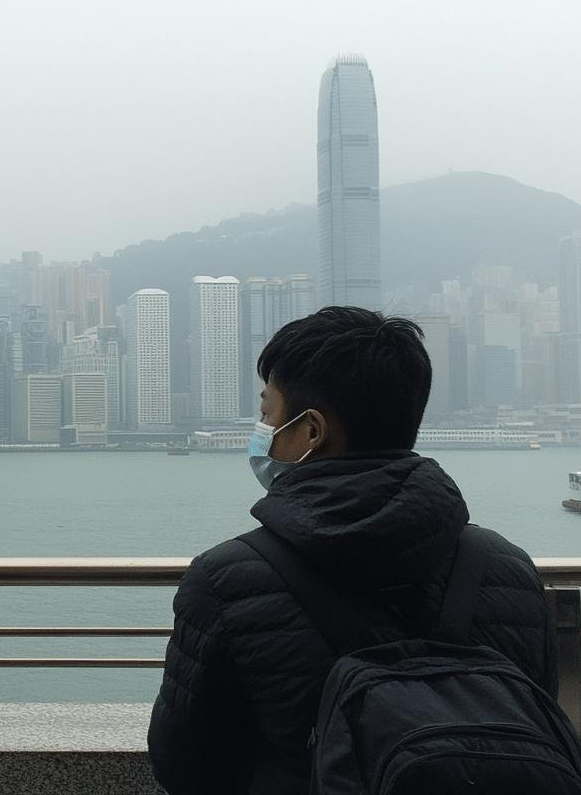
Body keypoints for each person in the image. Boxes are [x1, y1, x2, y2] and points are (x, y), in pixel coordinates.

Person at [147, 307, 556, 795]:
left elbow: (185, 766)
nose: (261, 431)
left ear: (312, 431)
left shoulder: (223, 579)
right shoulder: (507, 566)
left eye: (266, 414)